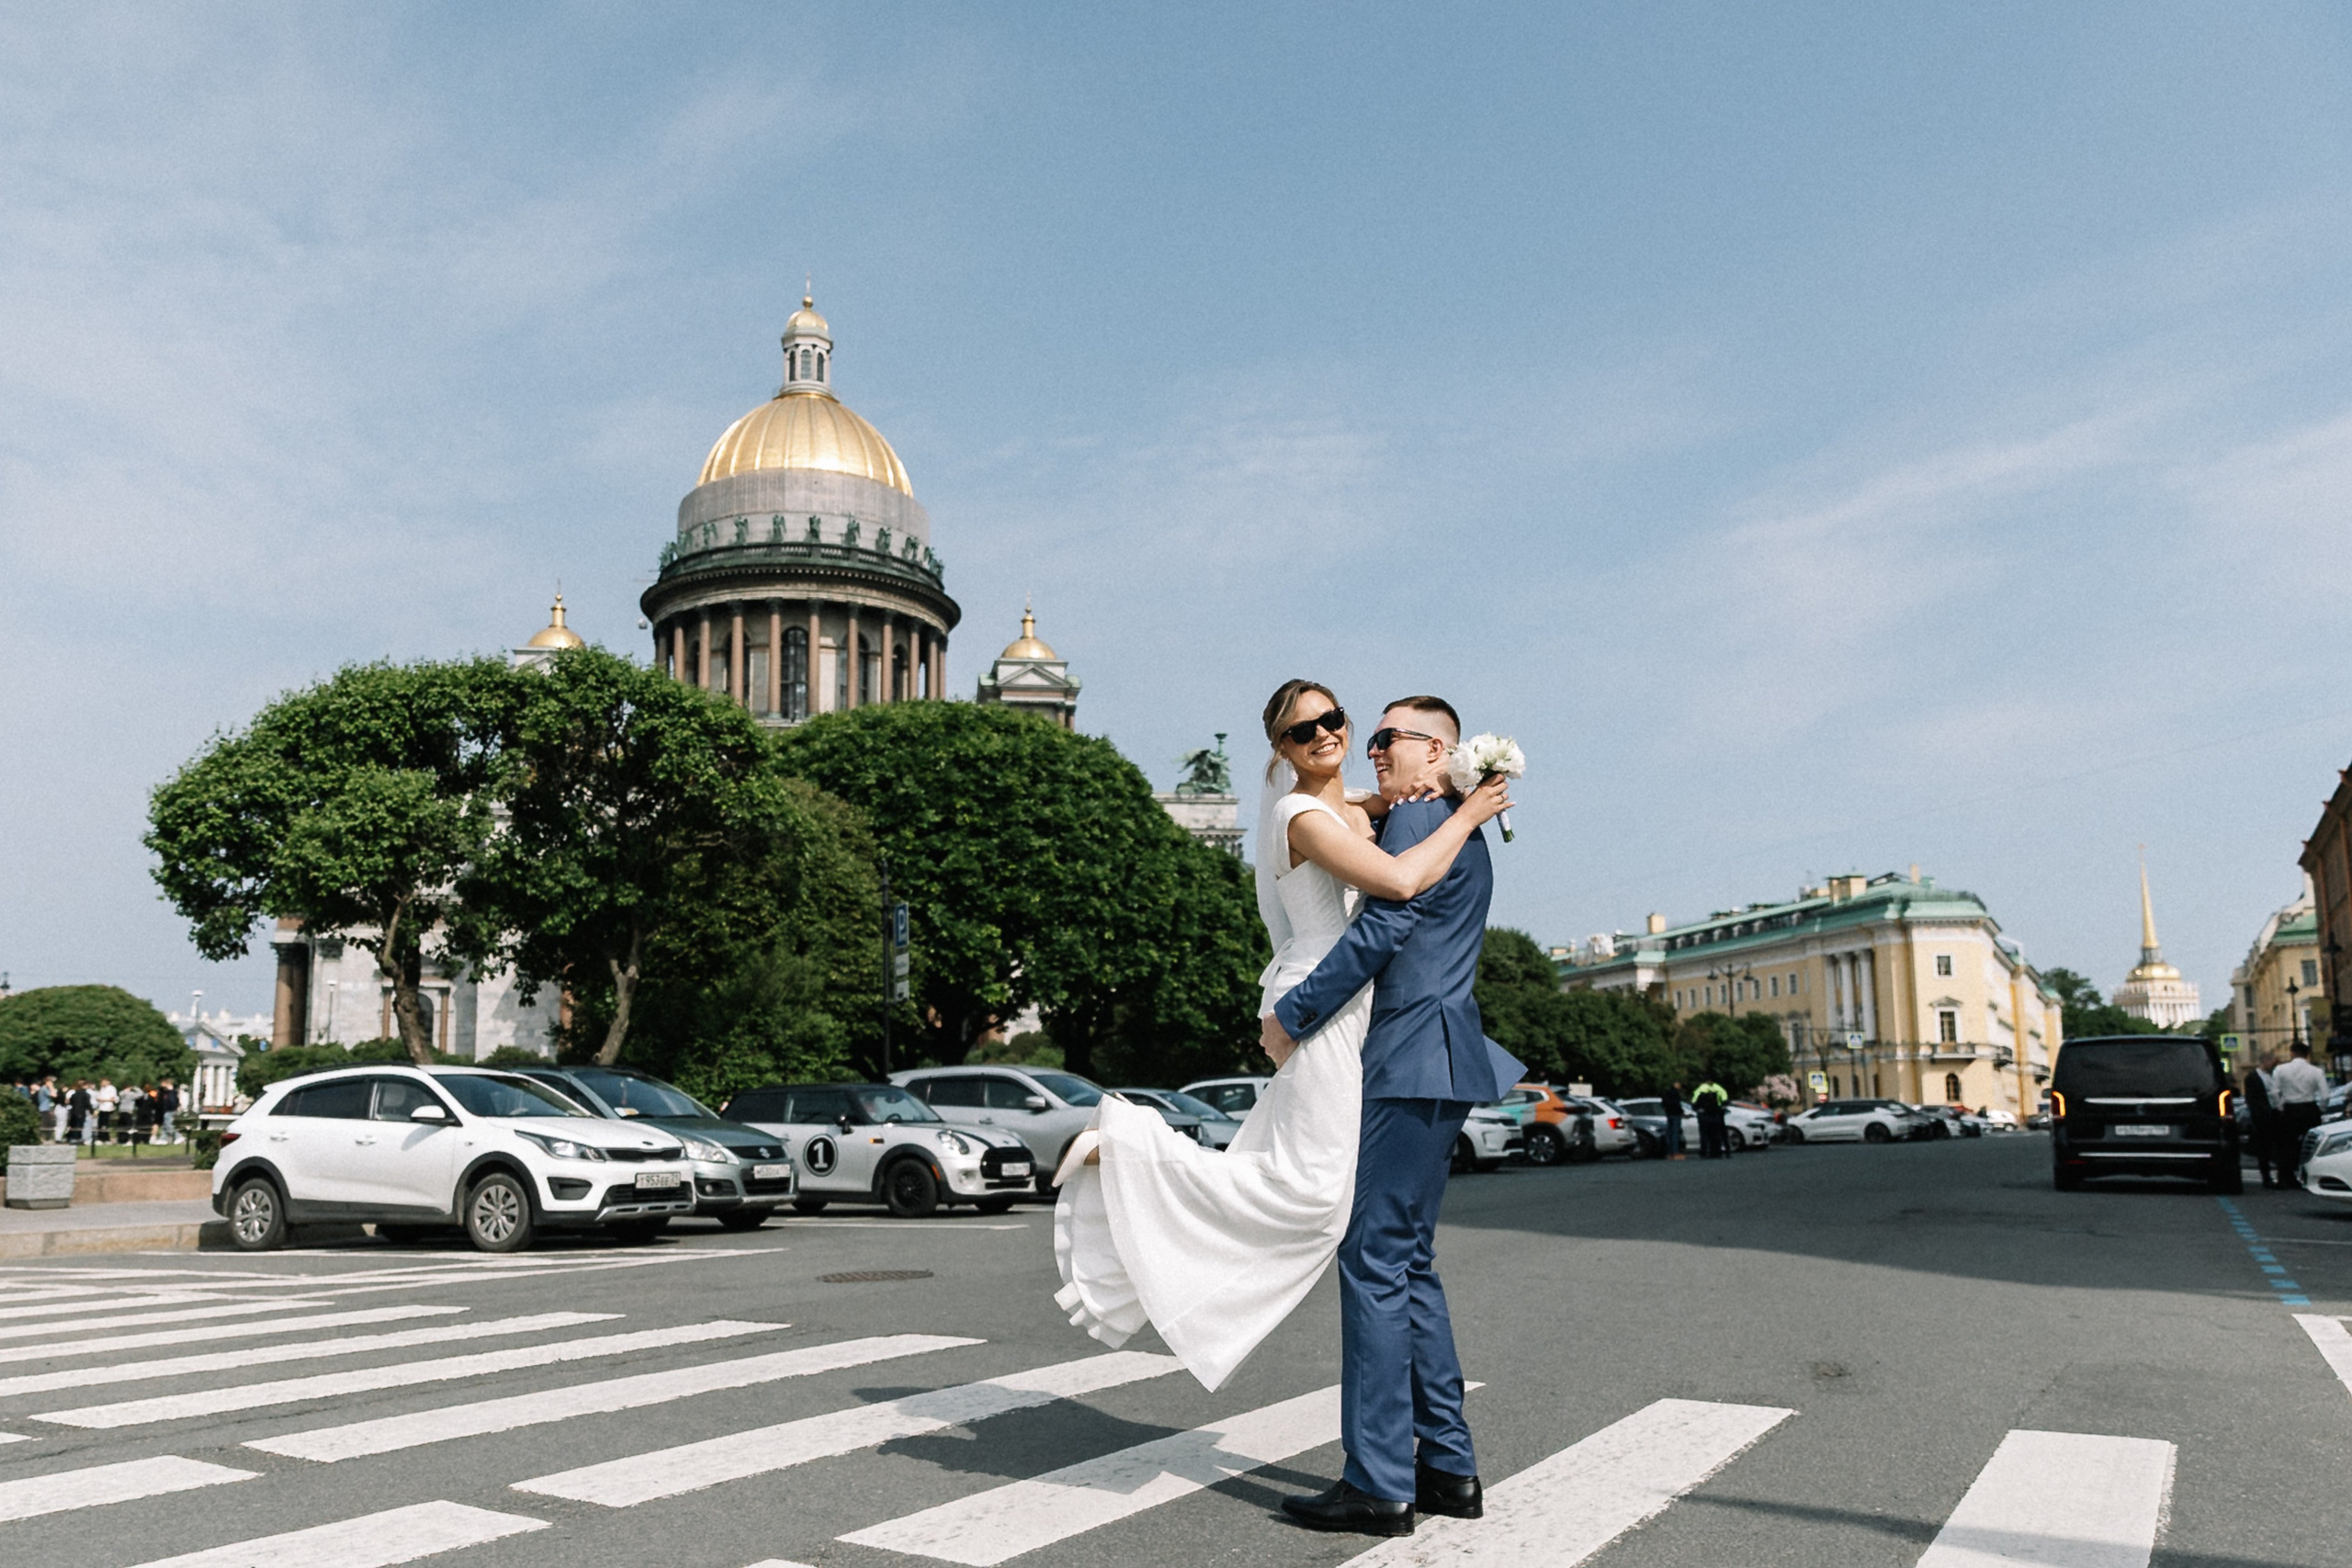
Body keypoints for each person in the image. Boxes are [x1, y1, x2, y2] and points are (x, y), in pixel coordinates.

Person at [1053, 682, 1511, 1420]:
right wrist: (1468, 806)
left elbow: (1397, 794)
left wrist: (1443, 777)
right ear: (1281, 749)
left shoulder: (1361, 805)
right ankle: (1129, 1144)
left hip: (1359, 1014)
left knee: (1339, 1215)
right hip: (1323, 1004)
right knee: (1312, 1195)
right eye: (1303, 731)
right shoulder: (1300, 812)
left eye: (1336, 720)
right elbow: (1395, 890)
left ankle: (1424, 1461)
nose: (1325, 734)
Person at [1265, 694, 1524, 1537]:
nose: (1373, 749)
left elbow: (1377, 934)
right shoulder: (1453, 823)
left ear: (1439, 750)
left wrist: (1293, 1016)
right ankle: (1446, 1465)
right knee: (1408, 1260)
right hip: (1447, 1056)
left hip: (1407, 1054)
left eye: (1390, 738)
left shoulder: (1420, 825)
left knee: (1373, 1260)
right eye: (1368, 736)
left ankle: (1378, 1479)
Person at [2271, 1041, 2328, 1189]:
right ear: (2307, 1054)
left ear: (2292, 1053)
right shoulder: (2316, 1071)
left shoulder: (2281, 1069)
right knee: (2312, 1145)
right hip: (2309, 1109)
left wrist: (2280, 1107)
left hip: (2290, 1110)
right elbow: (2325, 1095)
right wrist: (2320, 1109)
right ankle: (2311, 1176)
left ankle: (2286, 1178)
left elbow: (2274, 1092)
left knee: (2286, 1146)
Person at [2245, 1062, 2279, 1190]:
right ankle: (2266, 1176)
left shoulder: (2270, 1077)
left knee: (2271, 1147)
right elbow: (2252, 1099)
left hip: (2273, 1116)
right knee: (2263, 1148)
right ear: (2265, 1061)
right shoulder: (2252, 1077)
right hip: (2261, 1118)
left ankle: (2273, 1176)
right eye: (2273, 1062)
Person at [1692, 1079, 1730, 1159]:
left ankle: (1704, 1152)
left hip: (1704, 1116)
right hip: (1716, 1115)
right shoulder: (1719, 1088)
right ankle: (1717, 1152)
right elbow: (1725, 1101)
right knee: (1717, 1135)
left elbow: (1694, 1102)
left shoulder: (1700, 1089)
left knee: (1704, 1136)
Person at [1663, 1080, 1688, 1160]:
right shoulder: (1675, 1094)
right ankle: (1675, 1153)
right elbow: (1676, 1104)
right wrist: (1681, 1112)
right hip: (1675, 1115)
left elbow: (1663, 1104)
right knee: (1675, 1134)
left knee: (1669, 1134)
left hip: (1669, 1114)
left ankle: (1669, 1153)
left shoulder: (1666, 1093)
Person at [156, 1079, 181, 1145]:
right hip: (166, 1110)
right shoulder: (166, 1092)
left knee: (168, 1125)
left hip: (169, 1110)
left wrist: (172, 1108)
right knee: (165, 1126)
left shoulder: (171, 1092)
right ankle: (163, 1139)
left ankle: (178, 1136)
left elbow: (172, 1101)